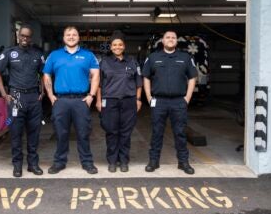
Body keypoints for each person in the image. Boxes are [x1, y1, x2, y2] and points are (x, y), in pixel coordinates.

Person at [43, 26, 100, 175]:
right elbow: (46, 75)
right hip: (61, 101)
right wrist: (50, 96)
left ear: (78, 37)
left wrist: (91, 96)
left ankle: (87, 163)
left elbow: (96, 75)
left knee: (83, 133)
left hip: (81, 100)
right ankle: (59, 162)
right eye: (68, 34)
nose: (71, 37)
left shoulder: (88, 56)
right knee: (61, 134)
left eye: (74, 34)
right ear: (63, 38)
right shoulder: (54, 55)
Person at [142, 30, 197, 175]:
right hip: (159, 101)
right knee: (156, 132)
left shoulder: (185, 57)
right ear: (162, 41)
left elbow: (192, 77)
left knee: (180, 132)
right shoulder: (153, 57)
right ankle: (154, 161)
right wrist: (148, 97)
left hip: (179, 101)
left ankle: (183, 162)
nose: (171, 39)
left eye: (173, 37)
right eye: (168, 37)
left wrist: (187, 98)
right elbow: (146, 77)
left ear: (176, 41)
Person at [0, 24, 45, 178]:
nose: (24, 38)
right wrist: (4, 94)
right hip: (15, 98)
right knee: (15, 132)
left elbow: (43, 74)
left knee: (34, 132)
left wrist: (42, 91)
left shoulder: (37, 54)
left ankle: (33, 164)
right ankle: (17, 165)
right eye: (22, 35)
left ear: (31, 38)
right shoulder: (9, 53)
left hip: (33, 99)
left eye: (27, 36)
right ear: (18, 35)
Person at [96, 33, 142, 173]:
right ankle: (112, 161)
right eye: (115, 45)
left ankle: (123, 161)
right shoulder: (104, 62)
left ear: (124, 46)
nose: (117, 47)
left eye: (120, 44)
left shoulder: (132, 61)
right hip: (109, 102)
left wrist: (138, 99)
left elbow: (138, 83)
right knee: (111, 132)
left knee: (125, 133)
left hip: (128, 102)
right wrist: (98, 101)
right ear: (110, 47)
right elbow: (98, 84)